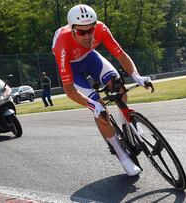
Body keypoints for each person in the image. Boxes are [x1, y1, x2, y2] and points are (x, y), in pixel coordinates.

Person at [52, 4, 151, 176]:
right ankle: (122, 156)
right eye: (82, 32)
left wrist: (136, 76)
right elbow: (68, 89)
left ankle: (126, 120)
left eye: (91, 30)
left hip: (91, 57)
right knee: (100, 110)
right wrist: (91, 105)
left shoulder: (101, 28)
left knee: (119, 86)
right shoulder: (62, 44)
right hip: (73, 67)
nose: (88, 35)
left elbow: (120, 54)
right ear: (72, 30)